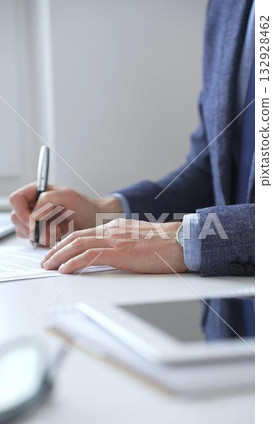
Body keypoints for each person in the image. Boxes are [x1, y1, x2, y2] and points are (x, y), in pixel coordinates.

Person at [9, 0, 255, 337]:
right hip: (230, 335)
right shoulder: (227, 7)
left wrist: (185, 238)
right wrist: (104, 210)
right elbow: (213, 170)